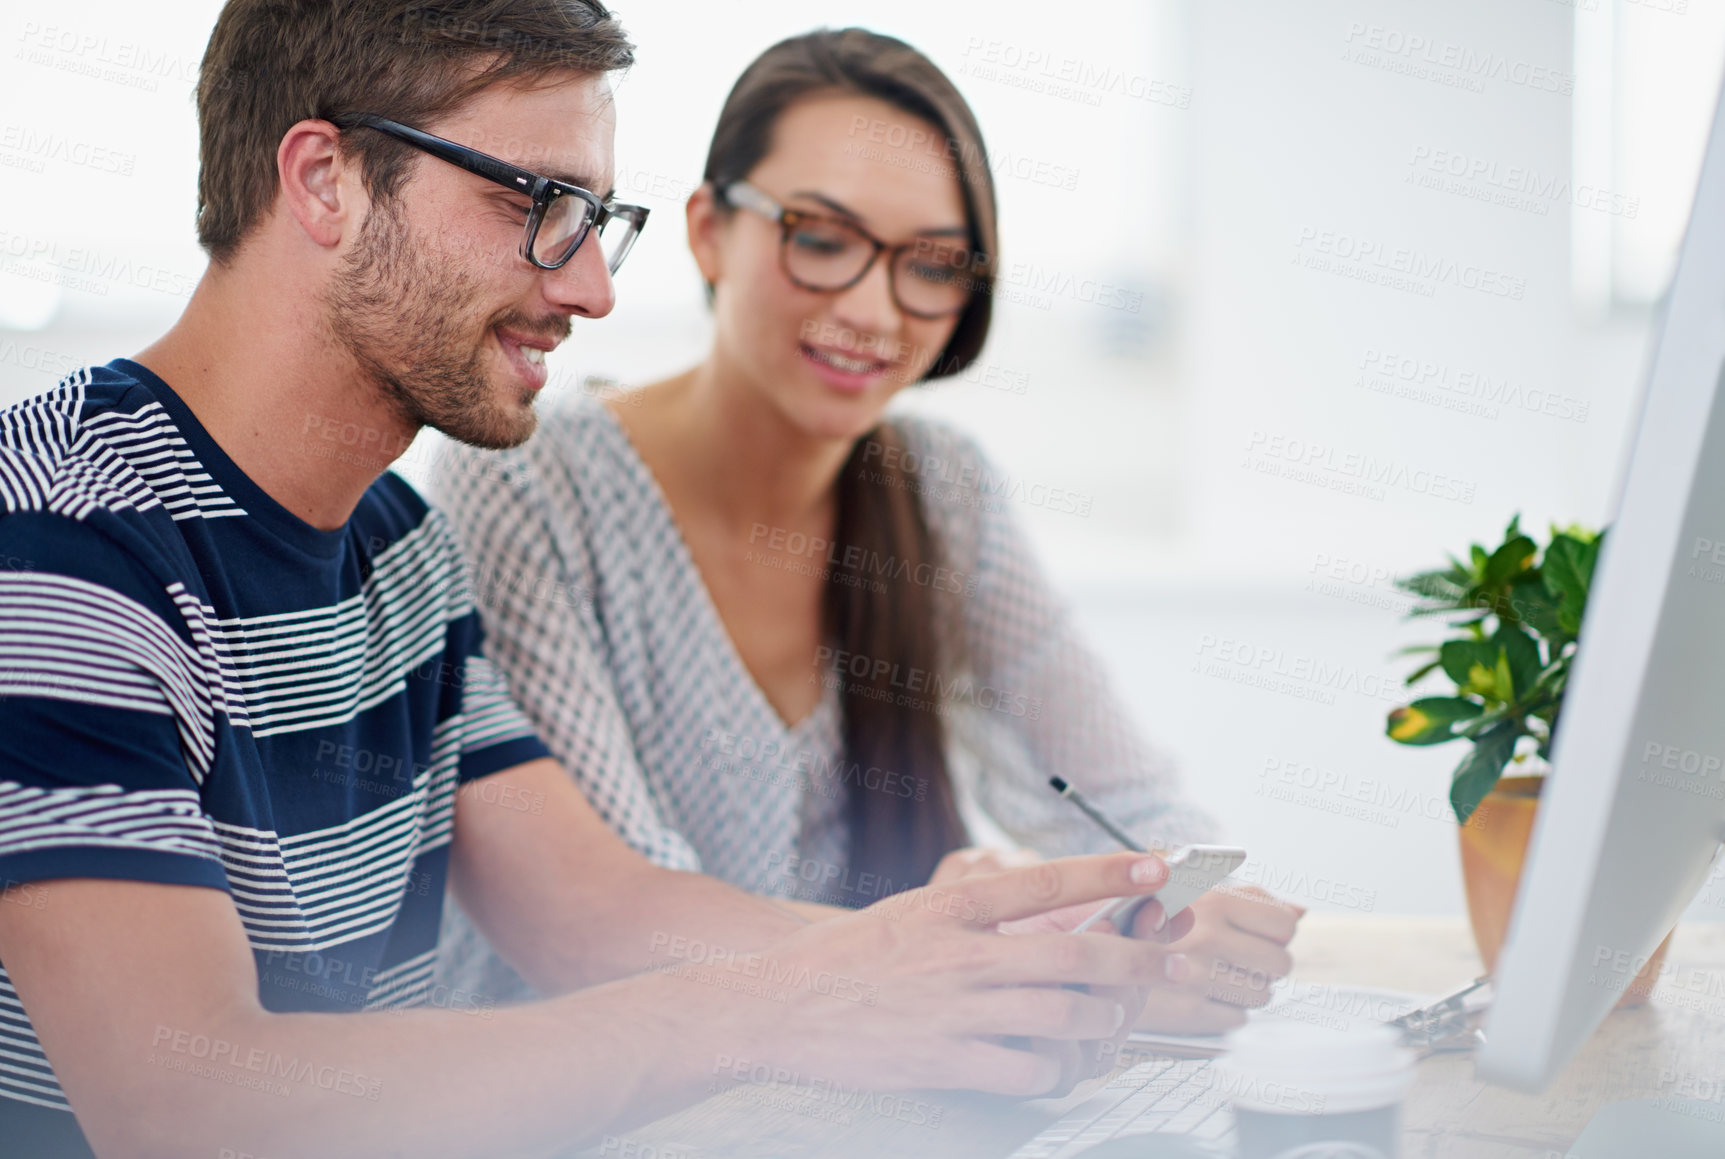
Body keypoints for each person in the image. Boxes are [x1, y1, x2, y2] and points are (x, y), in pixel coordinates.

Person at [0, 4, 1199, 1157]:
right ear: (325, 180)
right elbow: (189, 1107)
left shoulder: (399, 546)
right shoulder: (57, 538)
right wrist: (776, 1009)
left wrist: (940, 957)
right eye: (535, 203)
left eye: (592, 218)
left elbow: (590, 911)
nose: (591, 289)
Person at [429, 26, 1303, 1039]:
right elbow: (618, 915)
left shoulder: (942, 489)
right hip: (588, 1092)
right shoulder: (534, 480)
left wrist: (1184, 910)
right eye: (823, 238)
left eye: (931, 263)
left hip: (839, 1085)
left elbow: (1129, 800)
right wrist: (968, 939)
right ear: (710, 229)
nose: (875, 308)